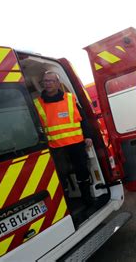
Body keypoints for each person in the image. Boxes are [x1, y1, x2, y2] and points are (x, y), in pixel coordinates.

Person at [34, 71, 94, 206]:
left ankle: (87, 198)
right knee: (61, 175)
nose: (47, 83)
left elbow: (83, 119)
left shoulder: (70, 98)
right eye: (45, 81)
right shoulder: (37, 104)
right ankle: (67, 203)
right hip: (55, 146)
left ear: (57, 83)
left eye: (50, 81)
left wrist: (88, 136)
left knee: (82, 171)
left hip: (76, 143)